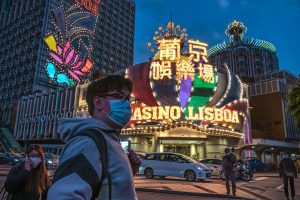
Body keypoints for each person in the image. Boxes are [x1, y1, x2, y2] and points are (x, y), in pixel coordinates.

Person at [47, 75, 141, 200]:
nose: (126, 103)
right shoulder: (88, 141)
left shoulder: (108, 139)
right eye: (119, 96)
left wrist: (126, 173)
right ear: (98, 102)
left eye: (127, 98)